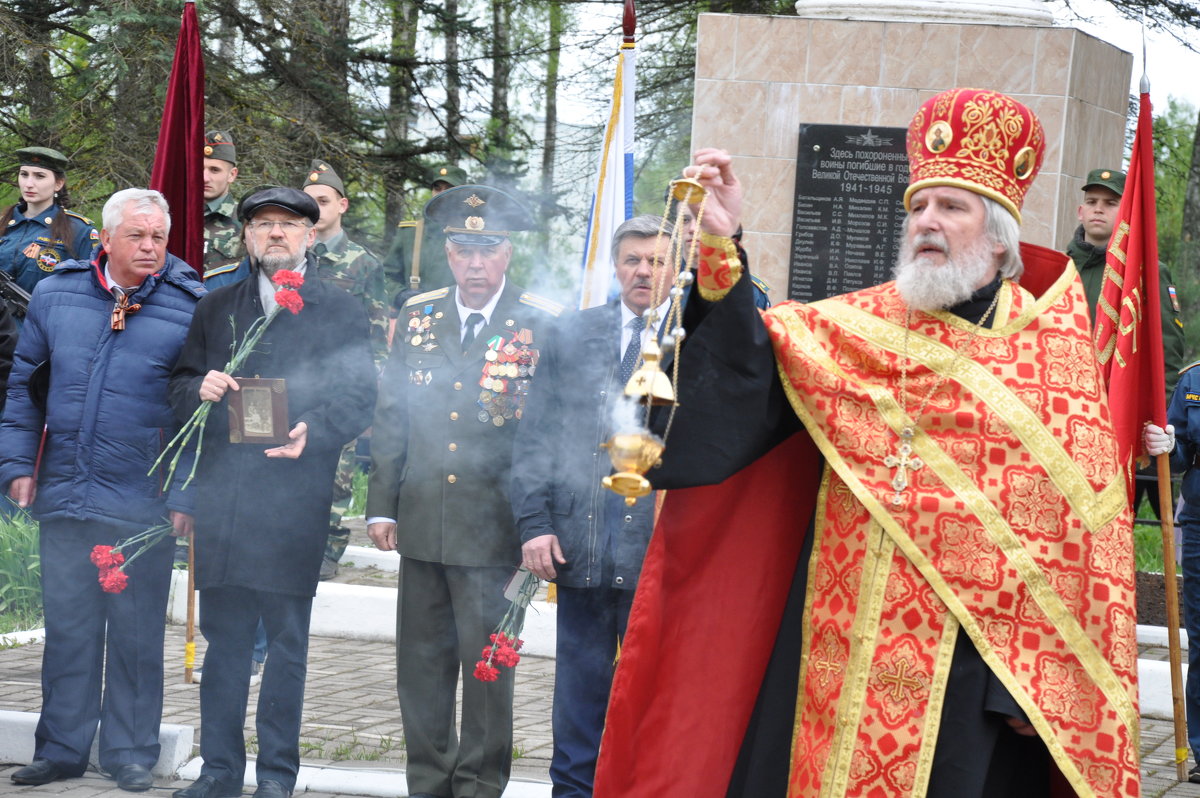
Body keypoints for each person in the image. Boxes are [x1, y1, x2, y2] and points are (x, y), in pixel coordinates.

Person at [593, 89, 1142, 798]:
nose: (928, 224)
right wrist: (723, 252)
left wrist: (1033, 688)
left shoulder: (1050, 366)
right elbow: (743, 381)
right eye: (918, 207)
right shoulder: (853, 332)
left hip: (971, 679)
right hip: (833, 639)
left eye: (952, 207)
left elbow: (1080, 538)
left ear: (999, 236)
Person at [168, 187, 376, 798]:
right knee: (226, 643)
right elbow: (179, 383)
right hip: (226, 498)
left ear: (312, 235)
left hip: (293, 498)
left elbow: (359, 397)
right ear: (248, 238)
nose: (276, 234)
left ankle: (278, 775)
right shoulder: (216, 307)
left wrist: (316, 433)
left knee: (286, 644)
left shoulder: (338, 309)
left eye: (289, 223)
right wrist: (198, 388)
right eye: (262, 224)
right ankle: (220, 772)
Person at [0, 188, 202, 791]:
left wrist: (186, 493)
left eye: (158, 238)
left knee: (136, 631)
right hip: (65, 489)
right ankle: (61, 749)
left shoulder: (190, 305)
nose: (149, 248)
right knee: (68, 628)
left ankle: (130, 752)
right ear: (106, 239)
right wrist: (17, 463)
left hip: (142, 499)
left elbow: (202, 414)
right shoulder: (57, 293)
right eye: (137, 237)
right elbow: (23, 388)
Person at [367, 184, 563, 798]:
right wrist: (381, 503)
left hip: (494, 526)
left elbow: (550, 432)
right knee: (421, 669)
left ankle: (479, 786)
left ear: (509, 253)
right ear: (447, 254)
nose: (475, 263)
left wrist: (541, 522)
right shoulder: (420, 316)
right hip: (423, 518)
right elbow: (393, 413)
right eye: (462, 250)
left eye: (488, 250)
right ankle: (428, 783)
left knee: (487, 672)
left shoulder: (540, 323)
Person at [511, 214, 671, 798]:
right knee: (578, 689)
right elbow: (535, 437)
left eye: (656, 260)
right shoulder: (573, 333)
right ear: (615, 266)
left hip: (658, 554)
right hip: (582, 547)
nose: (644, 270)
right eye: (632, 259)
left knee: (655, 691)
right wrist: (534, 524)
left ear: (674, 267)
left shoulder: (691, 340)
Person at [1067, 167, 1186, 521]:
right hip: (1065, 413)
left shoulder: (1148, 272)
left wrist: (1154, 420)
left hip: (1117, 420)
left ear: (1127, 213)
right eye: (1091, 202)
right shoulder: (1061, 268)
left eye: (1110, 202)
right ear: (1080, 212)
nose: (1098, 209)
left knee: (1110, 521)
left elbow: (1166, 348)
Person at [300, 158, 390, 578]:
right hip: (298, 378)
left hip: (343, 382)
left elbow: (376, 331)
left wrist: (371, 388)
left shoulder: (363, 263)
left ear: (342, 206)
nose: (315, 208)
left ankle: (327, 547)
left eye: (323, 200)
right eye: (308, 201)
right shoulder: (292, 254)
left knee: (339, 467)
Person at [0, 146, 98, 296]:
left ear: (58, 184)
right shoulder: (3, 222)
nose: (29, 184)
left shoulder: (79, 230)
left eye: (39, 176)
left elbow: (91, 288)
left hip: (42, 317)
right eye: (24, 174)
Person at [383, 163, 467, 311]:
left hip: (458, 321)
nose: (442, 193)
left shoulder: (474, 236)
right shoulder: (410, 233)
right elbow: (386, 277)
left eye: (449, 189)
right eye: (437, 188)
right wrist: (399, 295)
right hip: (414, 321)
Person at [200, 130, 244, 279]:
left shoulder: (245, 221)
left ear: (232, 175)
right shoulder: (175, 216)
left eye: (214, 170)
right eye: (200, 169)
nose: (205, 178)